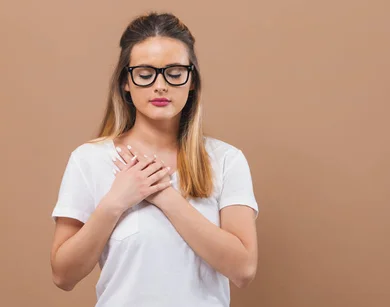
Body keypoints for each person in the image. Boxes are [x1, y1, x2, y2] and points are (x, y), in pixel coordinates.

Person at [49, 12, 259, 307]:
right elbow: (63, 275)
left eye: (174, 73)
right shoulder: (89, 160)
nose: (160, 86)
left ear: (192, 81)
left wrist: (164, 195)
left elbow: (243, 269)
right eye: (145, 74)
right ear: (126, 81)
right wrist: (114, 203)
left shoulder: (226, 160)